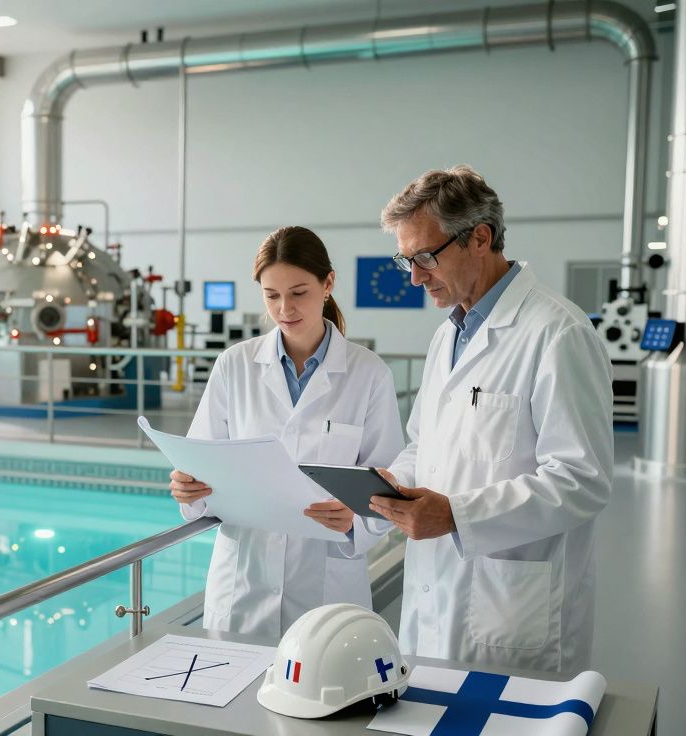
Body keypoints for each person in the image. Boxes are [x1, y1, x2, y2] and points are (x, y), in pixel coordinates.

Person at [369, 165, 613, 672]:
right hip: (434, 593)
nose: (415, 277)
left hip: (512, 607)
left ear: (480, 239)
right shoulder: (448, 335)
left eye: (425, 257)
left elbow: (582, 480)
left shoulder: (558, 333)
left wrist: (457, 515)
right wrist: (394, 482)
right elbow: (422, 443)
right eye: (406, 260)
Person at [169, 226, 404, 638]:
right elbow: (202, 461)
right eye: (271, 295)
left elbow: (388, 484)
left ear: (327, 284)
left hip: (327, 586)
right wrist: (189, 489)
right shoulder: (234, 366)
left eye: (298, 293)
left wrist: (354, 519)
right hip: (244, 583)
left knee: (323, 674)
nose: (284, 309)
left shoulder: (368, 373)